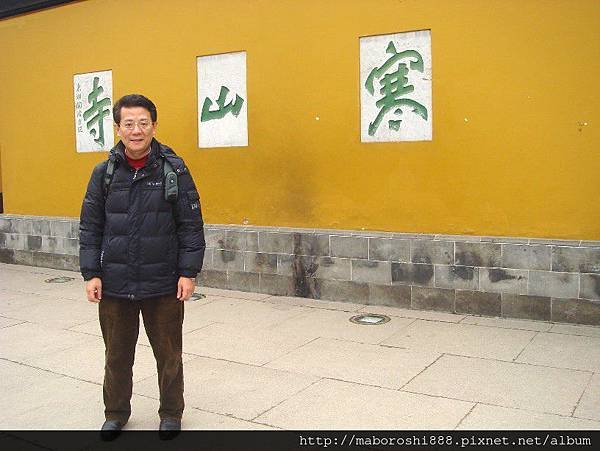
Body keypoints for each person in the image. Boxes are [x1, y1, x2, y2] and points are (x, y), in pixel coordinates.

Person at [79, 94, 205, 440]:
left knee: (169, 354)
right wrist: (91, 272)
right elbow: (90, 226)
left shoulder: (173, 169)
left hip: (163, 281)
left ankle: (171, 413)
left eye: (143, 123)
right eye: (129, 124)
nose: (136, 130)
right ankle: (116, 413)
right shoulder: (103, 173)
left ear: (154, 126)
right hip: (116, 282)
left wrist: (188, 272)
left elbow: (190, 224)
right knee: (116, 355)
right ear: (118, 128)